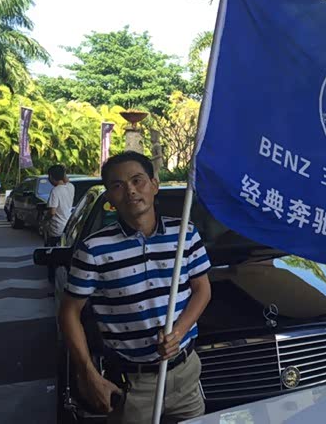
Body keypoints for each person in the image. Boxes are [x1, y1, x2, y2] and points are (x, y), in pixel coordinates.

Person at [59, 152, 212, 423]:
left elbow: (202, 290)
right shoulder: (93, 250)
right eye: (117, 185)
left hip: (185, 374)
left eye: (137, 180)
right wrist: (89, 374)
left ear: (154, 185)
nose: (130, 190)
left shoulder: (185, 234)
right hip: (131, 384)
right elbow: (69, 313)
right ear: (109, 197)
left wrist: (177, 333)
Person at [45, 164, 75, 246]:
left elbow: (52, 212)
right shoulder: (71, 187)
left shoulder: (55, 191)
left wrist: (45, 219)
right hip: (67, 225)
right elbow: (67, 180)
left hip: (56, 228)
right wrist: (63, 174)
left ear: (51, 177)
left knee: (52, 249)